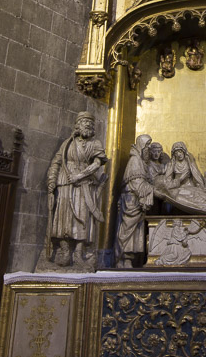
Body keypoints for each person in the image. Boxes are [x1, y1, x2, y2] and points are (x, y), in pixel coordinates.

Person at [46, 112, 107, 268]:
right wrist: (52, 180)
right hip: (65, 182)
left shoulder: (95, 144)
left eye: (89, 122)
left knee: (83, 217)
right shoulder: (67, 143)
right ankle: (65, 250)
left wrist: (79, 176)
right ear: (77, 125)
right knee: (64, 217)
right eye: (84, 122)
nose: (87, 124)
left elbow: (97, 163)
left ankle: (79, 253)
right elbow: (57, 162)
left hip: (84, 184)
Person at [114, 134, 154, 268]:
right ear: (141, 145)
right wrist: (152, 189)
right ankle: (123, 258)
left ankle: (129, 259)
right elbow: (136, 183)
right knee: (127, 231)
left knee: (136, 232)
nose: (149, 148)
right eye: (147, 145)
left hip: (137, 202)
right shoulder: (135, 160)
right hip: (131, 201)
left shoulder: (141, 161)